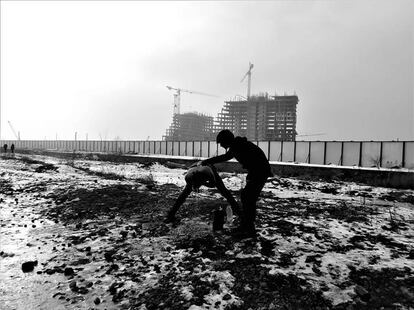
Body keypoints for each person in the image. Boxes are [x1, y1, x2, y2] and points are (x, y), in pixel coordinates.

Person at [200, 130, 272, 238]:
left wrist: (206, 161)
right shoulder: (238, 145)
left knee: (248, 197)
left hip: (260, 172)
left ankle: (248, 227)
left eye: (221, 143)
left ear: (225, 140)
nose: (221, 145)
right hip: (258, 172)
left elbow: (225, 157)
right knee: (247, 197)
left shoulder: (237, 146)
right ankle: (247, 224)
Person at [164, 164, 241, 224]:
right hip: (195, 167)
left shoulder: (208, 174)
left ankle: (239, 213)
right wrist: (194, 186)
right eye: (195, 186)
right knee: (184, 194)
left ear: (202, 181)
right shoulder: (188, 177)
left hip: (209, 167)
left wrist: (204, 184)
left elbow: (213, 184)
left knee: (224, 191)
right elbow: (190, 187)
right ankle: (171, 215)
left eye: (198, 185)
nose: (196, 188)